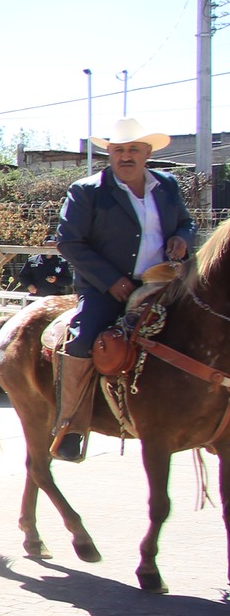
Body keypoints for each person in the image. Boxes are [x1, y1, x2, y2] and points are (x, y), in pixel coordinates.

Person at [50, 117, 195, 463]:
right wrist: (111, 280)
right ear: (109, 154)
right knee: (84, 341)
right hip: (105, 288)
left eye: (133, 150)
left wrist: (183, 239)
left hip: (163, 283)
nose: (125, 156)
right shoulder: (87, 191)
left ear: (147, 153)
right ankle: (70, 427)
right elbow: (68, 242)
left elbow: (187, 223)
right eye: (118, 150)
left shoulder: (168, 185)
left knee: (205, 326)